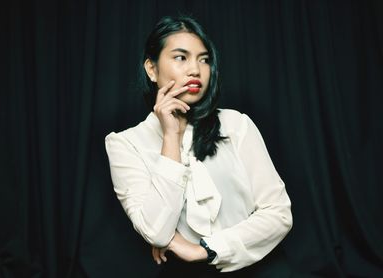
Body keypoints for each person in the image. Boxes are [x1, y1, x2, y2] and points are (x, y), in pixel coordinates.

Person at [105, 15, 293, 277]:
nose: (195, 69)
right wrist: (171, 137)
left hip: (261, 268)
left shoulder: (236, 124)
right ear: (151, 69)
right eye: (181, 57)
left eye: (203, 59)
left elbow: (279, 214)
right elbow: (156, 232)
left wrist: (204, 249)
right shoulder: (125, 144)